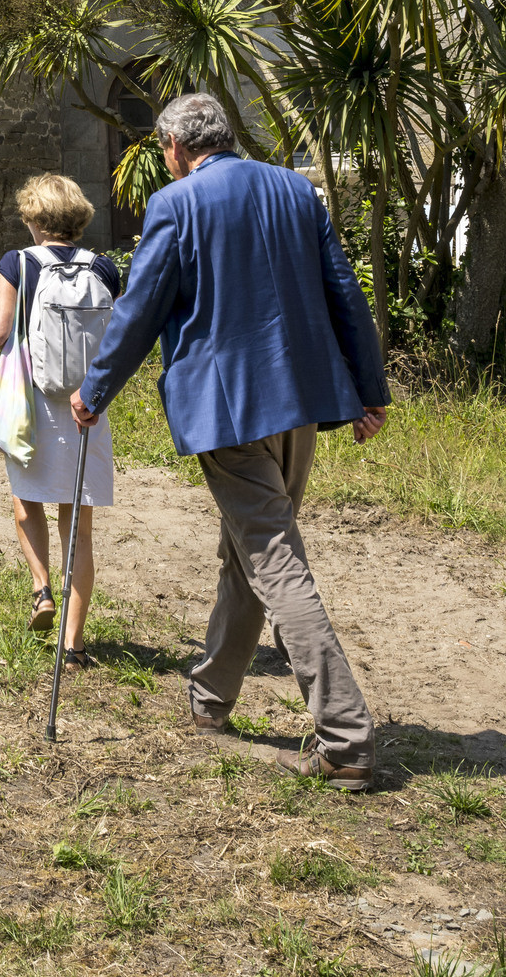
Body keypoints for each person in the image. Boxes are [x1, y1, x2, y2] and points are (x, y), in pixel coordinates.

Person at [69, 92, 390, 788]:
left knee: (274, 559)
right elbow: (346, 294)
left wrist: (93, 391)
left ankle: (345, 737)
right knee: (249, 551)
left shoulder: (175, 204)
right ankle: (210, 698)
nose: (166, 163)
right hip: (301, 404)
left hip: (229, 410)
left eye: (164, 153)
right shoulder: (294, 190)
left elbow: (140, 312)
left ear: (176, 148)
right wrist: (369, 390)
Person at [0, 173, 122, 659]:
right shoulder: (104, 270)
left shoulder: (18, 263)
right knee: (78, 524)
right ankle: (75, 643)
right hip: (88, 405)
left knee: (26, 500)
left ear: (35, 219)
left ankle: (41, 588)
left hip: (33, 402)